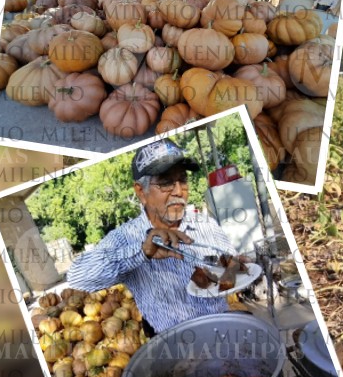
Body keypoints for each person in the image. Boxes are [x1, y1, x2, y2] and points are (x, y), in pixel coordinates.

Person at [67, 139, 242, 336]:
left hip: (226, 331)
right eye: (166, 183)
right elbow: (77, 277)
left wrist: (234, 267)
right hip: (178, 351)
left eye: (183, 180)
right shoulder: (126, 237)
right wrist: (142, 252)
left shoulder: (205, 223)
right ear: (141, 192)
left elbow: (232, 262)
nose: (178, 191)